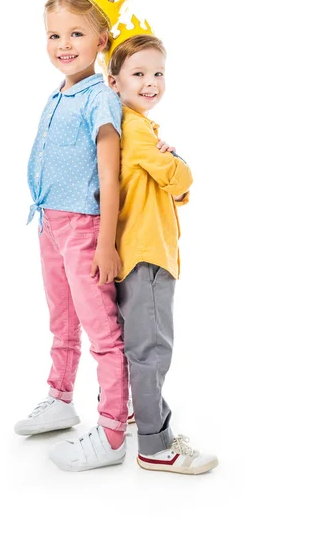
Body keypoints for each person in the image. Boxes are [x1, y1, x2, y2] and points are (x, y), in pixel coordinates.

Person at [14, 0, 132, 472]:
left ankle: (111, 429)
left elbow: (110, 174)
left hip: (84, 227)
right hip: (49, 224)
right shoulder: (60, 93)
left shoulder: (101, 98)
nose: (64, 44)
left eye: (76, 34)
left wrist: (106, 242)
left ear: (101, 40)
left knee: (100, 328)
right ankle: (61, 397)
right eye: (55, 35)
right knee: (61, 319)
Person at [106, 30, 219, 474]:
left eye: (158, 73)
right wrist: (178, 163)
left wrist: (171, 165)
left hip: (138, 250)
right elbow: (182, 180)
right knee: (151, 348)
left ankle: (131, 412)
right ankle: (155, 445)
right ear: (114, 81)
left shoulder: (133, 127)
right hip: (147, 255)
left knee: (134, 341)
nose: (151, 82)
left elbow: (169, 186)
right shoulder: (136, 131)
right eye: (139, 73)